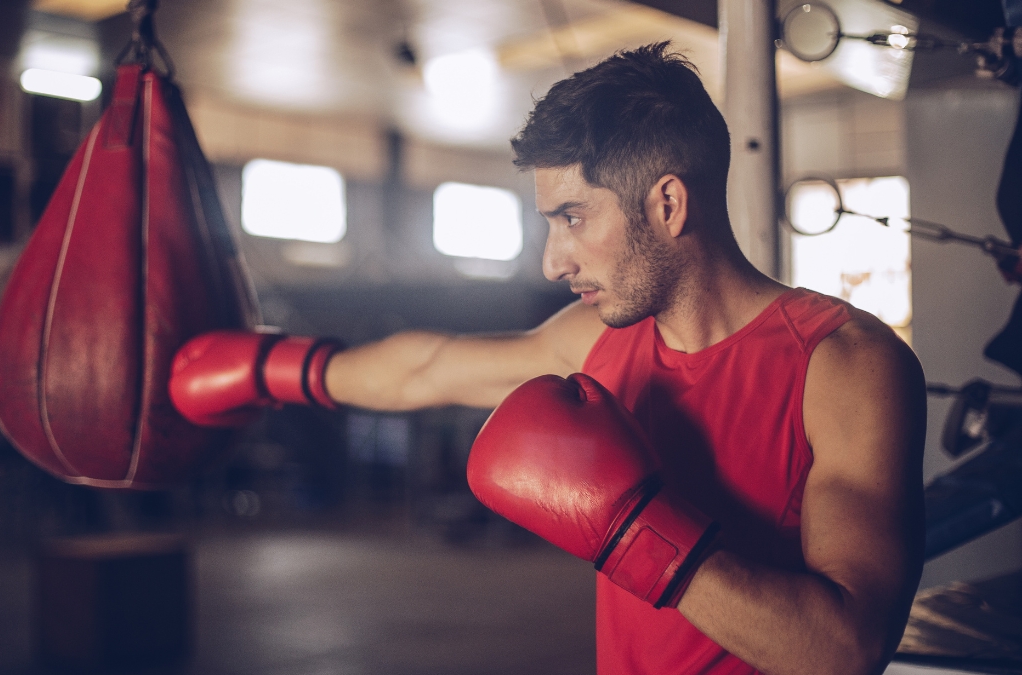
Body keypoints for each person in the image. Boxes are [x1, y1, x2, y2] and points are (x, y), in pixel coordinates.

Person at [169, 42, 926, 675]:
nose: (551, 260)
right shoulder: (597, 339)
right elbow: (426, 368)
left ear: (667, 204)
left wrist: (635, 532)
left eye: (572, 216)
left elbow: (847, 646)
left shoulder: (843, 365)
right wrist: (270, 368)